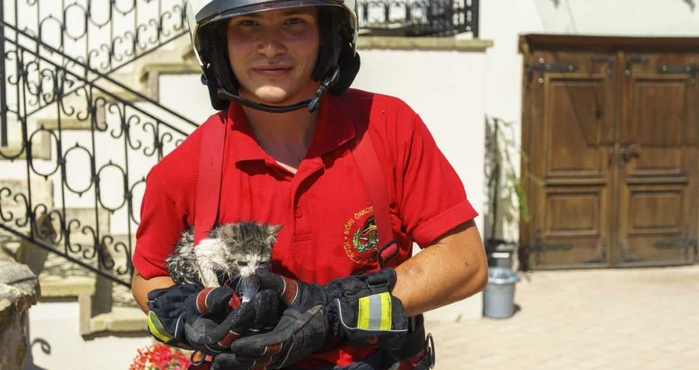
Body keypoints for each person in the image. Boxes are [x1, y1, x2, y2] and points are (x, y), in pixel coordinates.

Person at [131, 0, 488, 369]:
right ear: (218, 45)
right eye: (248, 25)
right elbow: (148, 278)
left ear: (329, 37)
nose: (270, 46)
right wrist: (186, 313)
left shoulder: (388, 127)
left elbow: (465, 262)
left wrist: (332, 308)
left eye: (294, 22)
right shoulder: (181, 171)